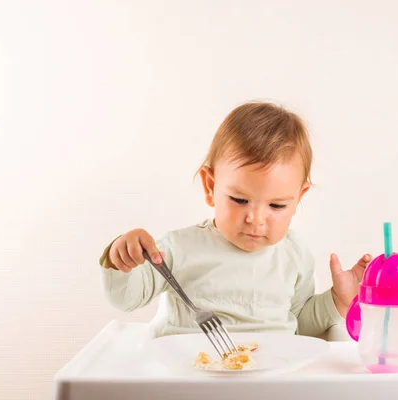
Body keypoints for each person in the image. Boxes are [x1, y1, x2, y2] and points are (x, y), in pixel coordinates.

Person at [99, 101, 371, 338]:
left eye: (276, 205)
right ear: (210, 187)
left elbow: (298, 326)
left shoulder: (294, 255)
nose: (255, 219)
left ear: (298, 199)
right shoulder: (179, 248)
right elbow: (124, 299)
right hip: (187, 379)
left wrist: (337, 301)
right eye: (240, 200)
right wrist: (121, 258)